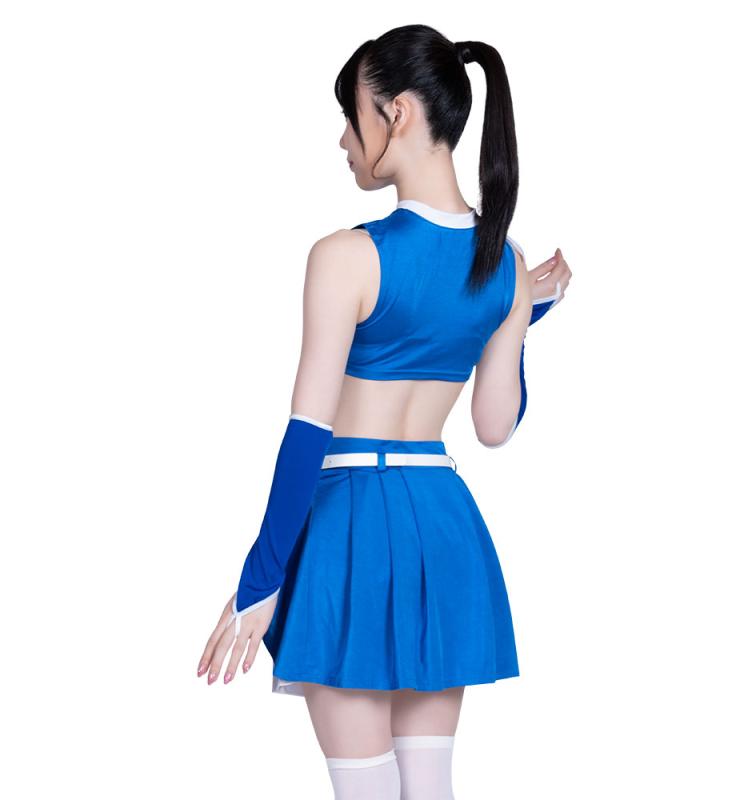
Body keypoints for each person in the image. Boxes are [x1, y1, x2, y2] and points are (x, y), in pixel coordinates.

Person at [197, 24, 572, 800]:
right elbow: (495, 426)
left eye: (351, 115)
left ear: (395, 112)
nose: (344, 139)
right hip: (443, 525)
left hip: (349, 527)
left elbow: (308, 433)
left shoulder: (345, 256)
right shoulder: (504, 266)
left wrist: (262, 576)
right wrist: (519, 316)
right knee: (428, 788)